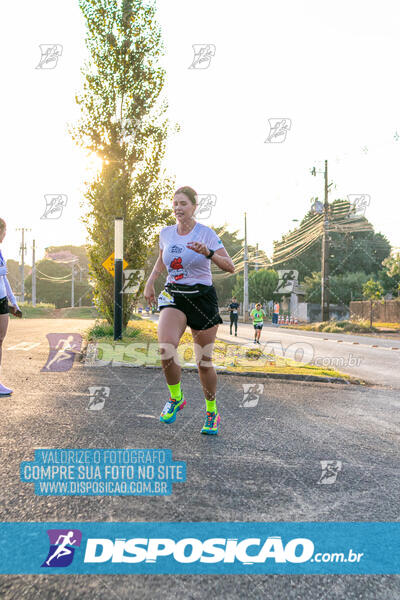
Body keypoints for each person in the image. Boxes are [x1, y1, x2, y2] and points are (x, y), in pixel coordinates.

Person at [144, 186, 235, 435]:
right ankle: (176, 398)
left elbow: (230, 266)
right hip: (175, 295)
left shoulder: (206, 234)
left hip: (202, 298)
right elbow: (162, 258)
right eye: (175, 203)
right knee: (166, 347)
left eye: (183, 203)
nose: (178, 208)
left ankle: (211, 412)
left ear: (194, 207)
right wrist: (151, 281)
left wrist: (209, 253)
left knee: (203, 362)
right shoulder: (166, 233)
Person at [0, 218, 22, 396]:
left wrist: (13, 301)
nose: (5, 234)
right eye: (4, 231)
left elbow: (4, 278)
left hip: (1, 300)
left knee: (0, 340)